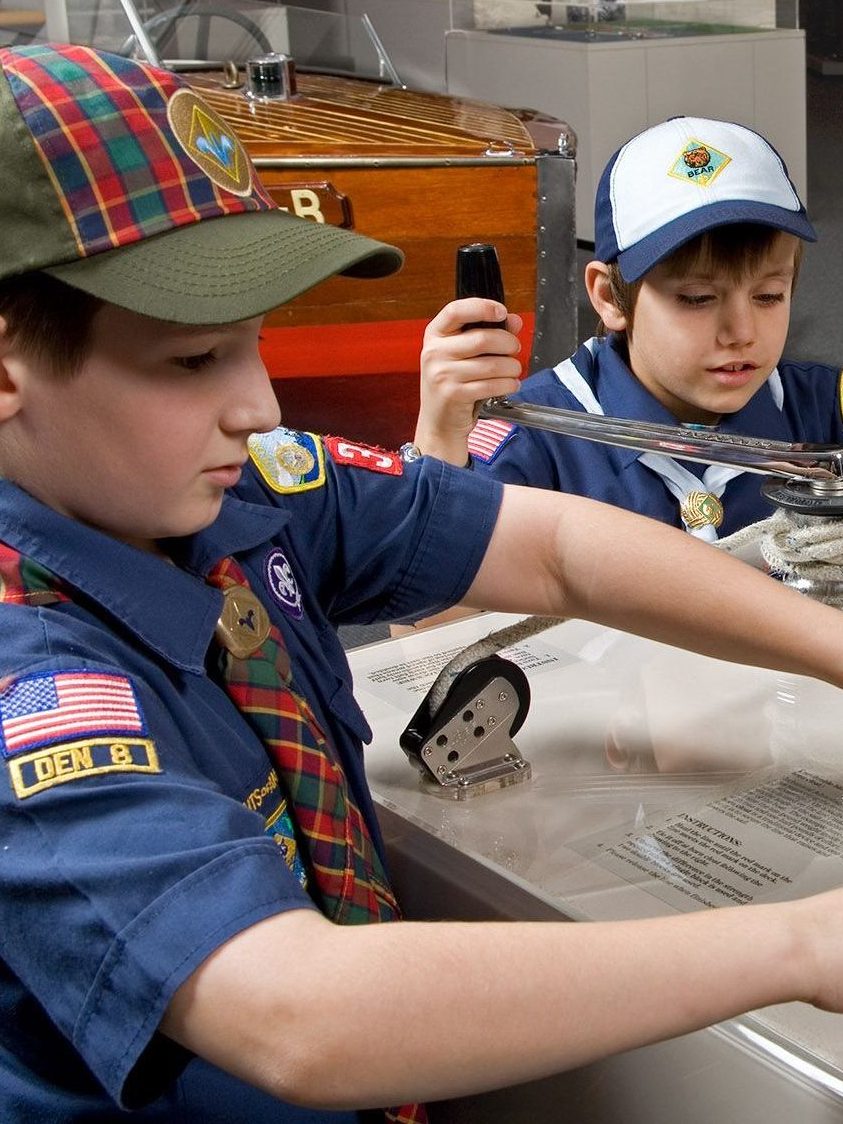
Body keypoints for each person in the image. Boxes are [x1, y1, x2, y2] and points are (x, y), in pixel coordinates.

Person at [5, 44, 843, 1124]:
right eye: (193, 359)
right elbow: (302, 1015)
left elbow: (552, 548)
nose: (261, 404)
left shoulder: (237, 491)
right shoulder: (27, 678)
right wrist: (803, 943)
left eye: (257, 344)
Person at [413, 116, 843, 541]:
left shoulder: (823, 407)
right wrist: (439, 441)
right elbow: (435, 610)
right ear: (608, 297)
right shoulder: (531, 439)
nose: (742, 332)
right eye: (697, 298)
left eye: (768, 296)